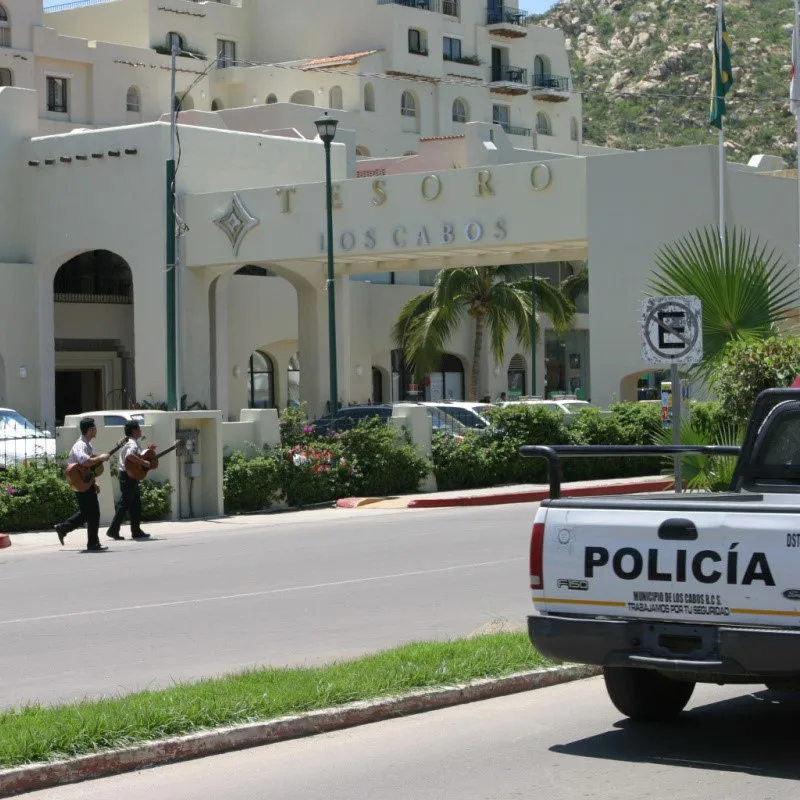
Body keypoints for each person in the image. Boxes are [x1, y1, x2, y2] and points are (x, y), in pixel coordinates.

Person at [54, 418, 112, 552]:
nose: (96, 430)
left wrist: (94, 481)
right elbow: (84, 461)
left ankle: (63, 528)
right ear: (89, 430)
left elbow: (87, 469)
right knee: (93, 513)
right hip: (80, 482)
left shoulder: (87, 445)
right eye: (94, 428)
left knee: (88, 513)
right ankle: (92, 543)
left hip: (86, 481)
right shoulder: (80, 445)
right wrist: (101, 458)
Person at [106, 421, 153, 541]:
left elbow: (135, 457)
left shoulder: (130, 442)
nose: (141, 431)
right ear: (134, 431)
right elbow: (129, 456)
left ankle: (136, 530)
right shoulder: (132, 443)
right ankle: (113, 529)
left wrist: (148, 452)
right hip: (128, 476)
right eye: (139, 429)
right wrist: (144, 462)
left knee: (136, 504)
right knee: (125, 503)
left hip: (130, 475)